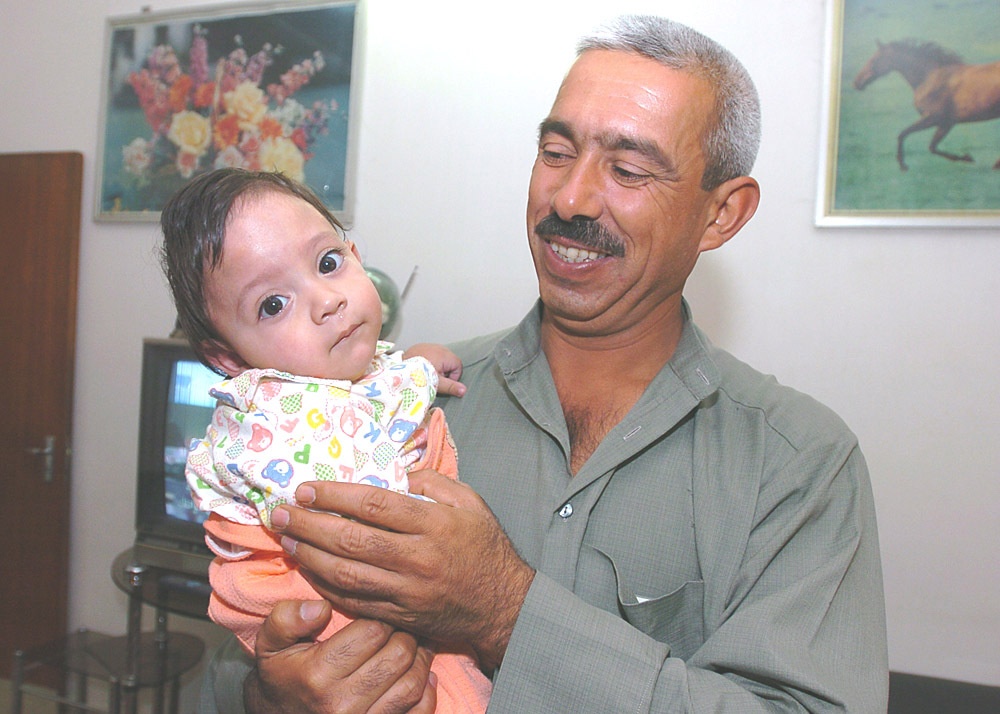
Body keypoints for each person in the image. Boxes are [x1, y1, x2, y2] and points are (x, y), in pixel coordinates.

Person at [200, 15, 889, 713]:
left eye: (626, 169)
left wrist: (505, 612)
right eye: (556, 152)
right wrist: (274, 697)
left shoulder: (798, 465)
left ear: (722, 214)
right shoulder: (395, 404)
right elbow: (241, 633)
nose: (570, 199)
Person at [159, 168, 490, 712]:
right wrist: (421, 373)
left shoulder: (335, 377)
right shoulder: (274, 417)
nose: (326, 302)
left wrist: (414, 363)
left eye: (328, 264)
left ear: (354, 254)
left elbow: (373, 388)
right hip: (328, 608)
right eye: (273, 304)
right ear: (228, 359)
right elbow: (369, 459)